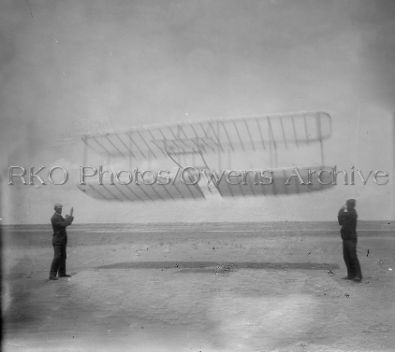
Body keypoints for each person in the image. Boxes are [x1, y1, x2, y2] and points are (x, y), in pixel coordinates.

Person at [337, 199, 362, 282]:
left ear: (352, 205)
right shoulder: (348, 213)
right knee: (347, 257)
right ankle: (351, 275)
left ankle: (358, 275)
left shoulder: (353, 213)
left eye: (348, 204)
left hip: (351, 238)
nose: (347, 206)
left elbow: (344, 215)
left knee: (353, 257)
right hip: (346, 238)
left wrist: (341, 210)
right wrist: (340, 213)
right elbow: (340, 222)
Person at [49, 203, 74, 280]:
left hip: (62, 240)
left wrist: (69, 217)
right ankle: (52, 275)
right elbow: (64, 224)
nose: (61, 209)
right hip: (57, 241)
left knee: (63, 257)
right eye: (59, 208)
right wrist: (69, 217)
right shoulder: (54, 218)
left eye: (61, 208)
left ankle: (62, 273)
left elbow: (67, 222)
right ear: (55, 209)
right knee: (57, 257)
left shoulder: (59, 216)